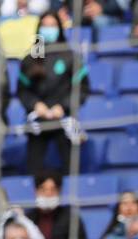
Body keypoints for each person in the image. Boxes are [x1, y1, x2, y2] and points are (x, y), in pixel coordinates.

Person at [17, 12, 88, 179]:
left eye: (52, 25)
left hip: (65, 119)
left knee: (72, 163)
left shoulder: (71, 57)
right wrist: (35, 105)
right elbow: (22, 91)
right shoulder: (30, 59)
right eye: (45, 26)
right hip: (38, 119)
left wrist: (63, 106)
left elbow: (82, 89)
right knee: (33, 162)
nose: (49, 29)